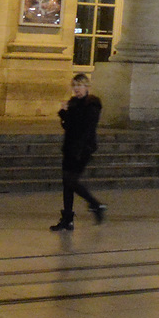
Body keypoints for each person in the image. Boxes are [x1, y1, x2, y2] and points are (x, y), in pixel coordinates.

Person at [53, 73, 106, 231]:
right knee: (66, 183)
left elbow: (88, 129)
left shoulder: (92, 104)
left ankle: (96, 204)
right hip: (69, 147)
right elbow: (69, 127)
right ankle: (67, 218)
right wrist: (63, 113)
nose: (76, 89)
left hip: (82, 148)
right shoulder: (73, 103)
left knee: (71, 180)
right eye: (74, 86)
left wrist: (80, 148)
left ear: (87, 87)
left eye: (79, 85)